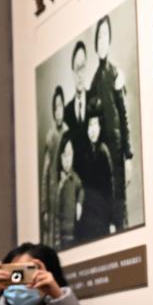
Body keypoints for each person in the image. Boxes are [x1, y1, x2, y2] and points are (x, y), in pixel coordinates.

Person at [89, 14, 133, 230]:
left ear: (109, 40)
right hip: (101, 161)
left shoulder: (116, 74)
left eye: (105, 36)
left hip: (117, 155)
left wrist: (128, 156)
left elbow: (124, 116)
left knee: (120, 210)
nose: (102, 41)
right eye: (99, 37)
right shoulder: (93, 82)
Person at [75, 98, 115, 241]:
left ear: (100, 127)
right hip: (87, 215)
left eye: (95, 124)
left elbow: (110, 188)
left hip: (102, 214)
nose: (92, 129)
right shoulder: (83, 154)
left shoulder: (104, 151)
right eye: (90, 125)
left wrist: (112, 220)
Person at [40, 86, 67, 248]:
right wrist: (44, 208)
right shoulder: (50, 136)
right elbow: (45, 174)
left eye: (60, 106)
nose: (58, 111)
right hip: (52, 199)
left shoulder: (68, 132)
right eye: (55, 108)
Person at [62, 41, 91, 173]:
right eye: (76, 68)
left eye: (82, 67)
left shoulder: (95, 100)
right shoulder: (66, 112)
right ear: (72, 72)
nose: (80, 74)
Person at [54, 131, 84, 251]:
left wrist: (79, 203)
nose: (67, 159)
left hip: (73, 233)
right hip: (60, 236)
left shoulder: (75, 178)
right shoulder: (58, 183)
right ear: (60, 157)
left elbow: (81, 189)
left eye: (70, 154)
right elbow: (55, 214)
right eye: (65, 155)